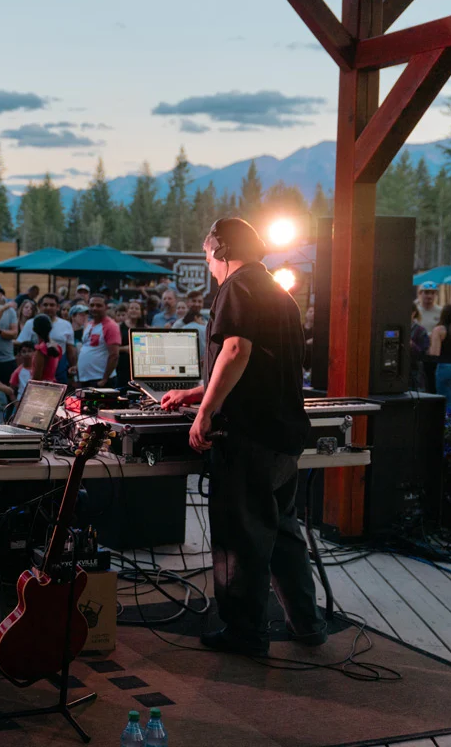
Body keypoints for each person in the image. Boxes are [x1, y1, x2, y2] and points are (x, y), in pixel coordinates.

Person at [161, 217, 321, 656]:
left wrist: (205, 413)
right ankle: (307, 624)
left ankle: (245, 633)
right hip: (283, 436)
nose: (208, 263)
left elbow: (236, 350)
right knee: (284, 534)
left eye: (207, 254)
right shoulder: (278, 292)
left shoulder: (236, 286)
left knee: (241, 536)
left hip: (248, 436)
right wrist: (196, 392)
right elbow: (260, 364)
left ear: (222, 249)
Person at [76, 295, 121, 387]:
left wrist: (104, 379)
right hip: (85, 378)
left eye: (98, 305)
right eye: (92, 305)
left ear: (106, 307)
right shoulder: (89, 324)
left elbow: (114, 355)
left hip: (99, 380)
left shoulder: (111, 326)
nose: (94, 308)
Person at [430, 302, 451, 413]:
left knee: (447, 403)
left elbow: (435, 353)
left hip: (446, 367)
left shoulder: (439, 330)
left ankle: (448, 429)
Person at [116, 299, 147, 387]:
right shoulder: (119, 327)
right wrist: (125, 348)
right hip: (122, 365)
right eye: (131, 308)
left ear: (141, 312)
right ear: (127, 311)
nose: (133, 310)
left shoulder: (145, 328)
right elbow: (112, 348)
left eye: (136, 308)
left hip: (139, 367)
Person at [30, 314, 63, 383]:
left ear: (34, 329)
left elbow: (37, 378)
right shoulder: (57, 347)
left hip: (42, 389)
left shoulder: (41, 350)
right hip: (52, 386)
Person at [410, 303, 430, 391]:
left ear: (413, 313)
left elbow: (423, 352)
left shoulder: (421, 331)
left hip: (415, 371)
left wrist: (412, 345)